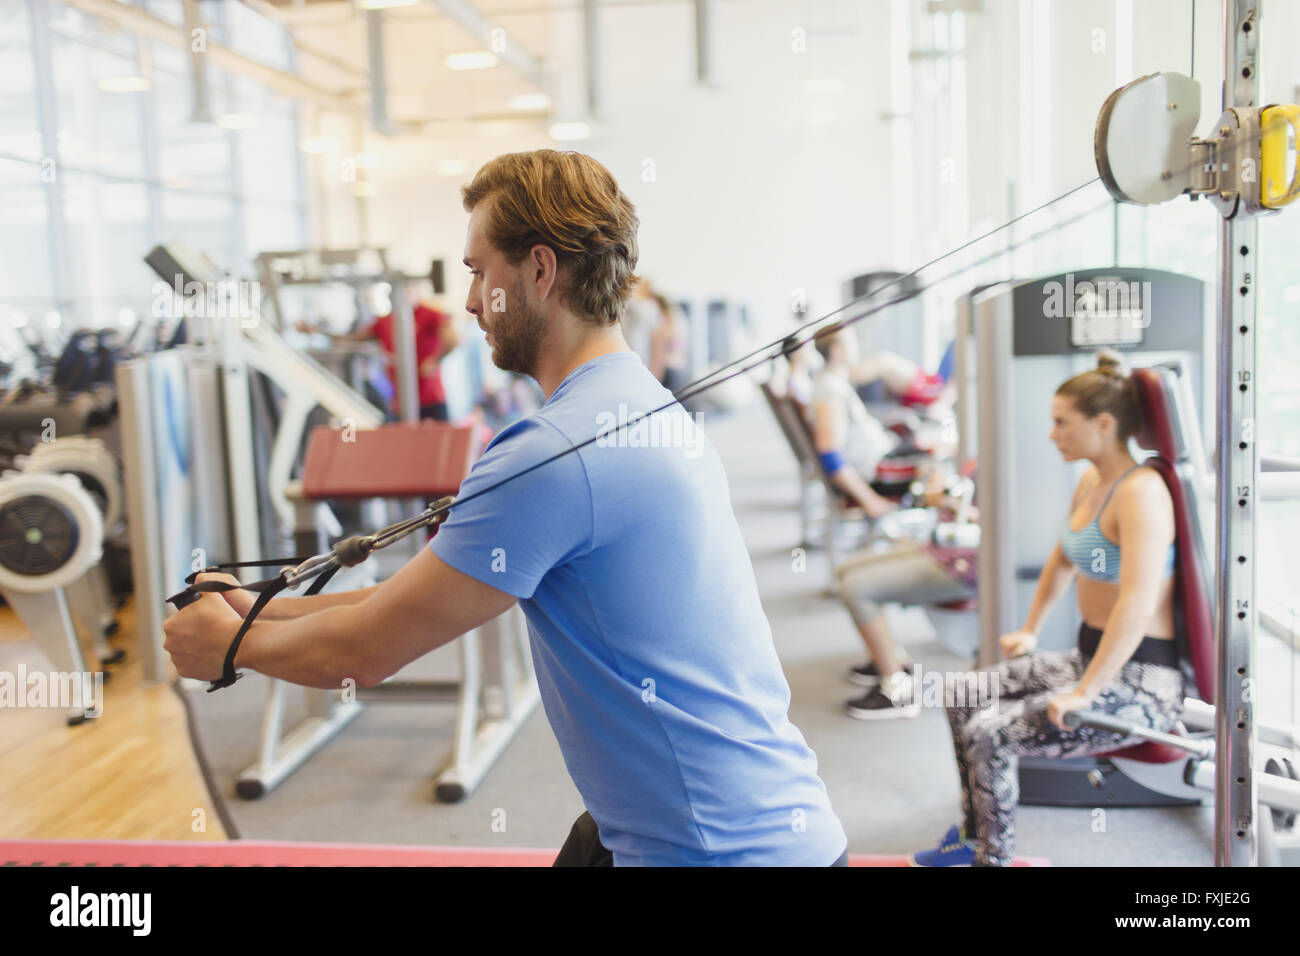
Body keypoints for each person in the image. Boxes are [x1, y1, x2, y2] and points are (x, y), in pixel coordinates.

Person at [163, 149, 848, 867]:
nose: (468, 301)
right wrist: (256, 610)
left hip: (719, 854)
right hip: (750, 829)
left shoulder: (552, 450)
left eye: (478, 271)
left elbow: (362, 652)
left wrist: (232, 648)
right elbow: (401, 601)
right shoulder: (640, 401)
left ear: (541, 270)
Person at [912, 351, 1184, 867]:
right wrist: (1031, 628)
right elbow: (1062, 559)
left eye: (1062, 422)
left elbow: (1137, 603)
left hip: (1140, 683)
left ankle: (993, 859)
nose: (1052, 434)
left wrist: (1086, 692)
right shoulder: (1092, 481)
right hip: (1090, 660)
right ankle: (972, 836)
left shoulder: (1142, 493)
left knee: (989, 734)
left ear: (1103, 425)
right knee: (961, 692)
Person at [839, 469, 979, 720]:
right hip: (942, 548)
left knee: (856, 588)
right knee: (845, 569)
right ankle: (890, 660)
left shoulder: (1011, 466)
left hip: (964, 565)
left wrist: (950, 503)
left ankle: (898, 694)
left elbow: (983, 519)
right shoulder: (981, 460)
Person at [296, 277, 461, 421]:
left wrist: (434, 362)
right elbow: (351, 338)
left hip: (431, 397)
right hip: (401, 401)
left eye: (407, 289)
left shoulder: (429, 314)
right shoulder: (384, 322)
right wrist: (316, 330)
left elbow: (453, 340)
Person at [809, 326, 901, 520]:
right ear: (837, 350)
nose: (856, 346)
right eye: (851, 342)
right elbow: (830, 455)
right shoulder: (830, 391)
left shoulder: (832, 382)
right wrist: (869, 500)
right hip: (876, 472)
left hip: (880, 459)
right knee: (937, 464)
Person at [649, 292, 689, 393]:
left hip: (667, 373)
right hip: (680, 371)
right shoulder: (678, 327)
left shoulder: (661, 330)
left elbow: (658, 358)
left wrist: (652, 383)